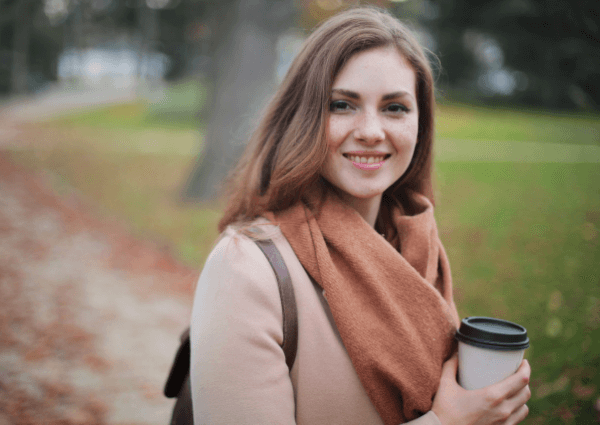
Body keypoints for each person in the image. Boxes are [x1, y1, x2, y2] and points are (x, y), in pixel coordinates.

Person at [189, 6, 531, 425]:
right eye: (342, 105)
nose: (371, 130)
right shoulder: (244, 269)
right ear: (304, 116)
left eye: (395, 108)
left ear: (420, 124)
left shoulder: (418, 249)